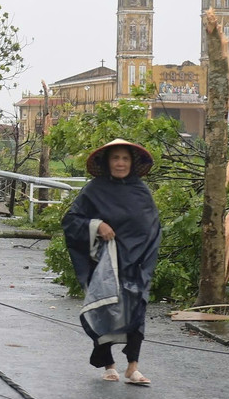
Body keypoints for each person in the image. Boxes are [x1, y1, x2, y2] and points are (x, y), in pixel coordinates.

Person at [61, 139, 161, 386]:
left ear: (132, 163)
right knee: (104, 309)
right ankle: (109, 365)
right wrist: (96, 225)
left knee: (137, 308)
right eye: (115, 158)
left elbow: (152, 228)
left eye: (125, 158)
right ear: (107, 162)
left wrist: (144, 256)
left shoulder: (141, 191)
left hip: (136, 261)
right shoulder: (94, 190)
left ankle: (133, 366)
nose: (120, 163)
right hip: (104, 262)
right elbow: (71, 220)